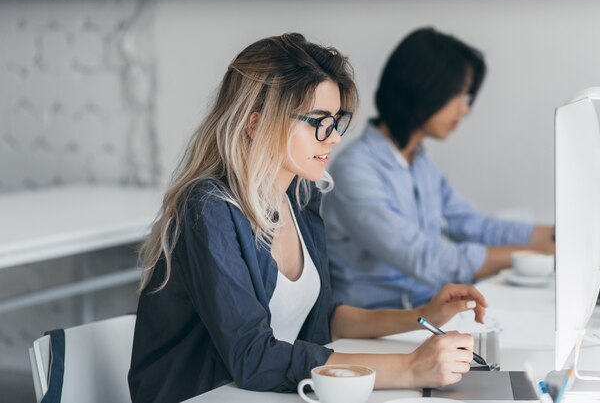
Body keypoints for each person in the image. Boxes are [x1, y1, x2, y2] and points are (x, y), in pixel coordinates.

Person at [127, 33, 489, 403]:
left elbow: (320, 319)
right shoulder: (209, 207)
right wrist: (409, 368)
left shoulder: (301, 199)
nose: (331, 137)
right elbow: (253, 357)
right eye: (318, 121)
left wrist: (420, 316)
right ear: (255, 124)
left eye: (336, 121)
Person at [321, 27, 555, 310]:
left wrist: (563, 233)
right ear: (423, 88)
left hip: (426, 314)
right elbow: (429, 260)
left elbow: (476, 227)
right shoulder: (355, 171)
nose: (464, 110)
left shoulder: (419, 163)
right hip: (378, 328)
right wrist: (541, 253)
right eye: (458, 95)